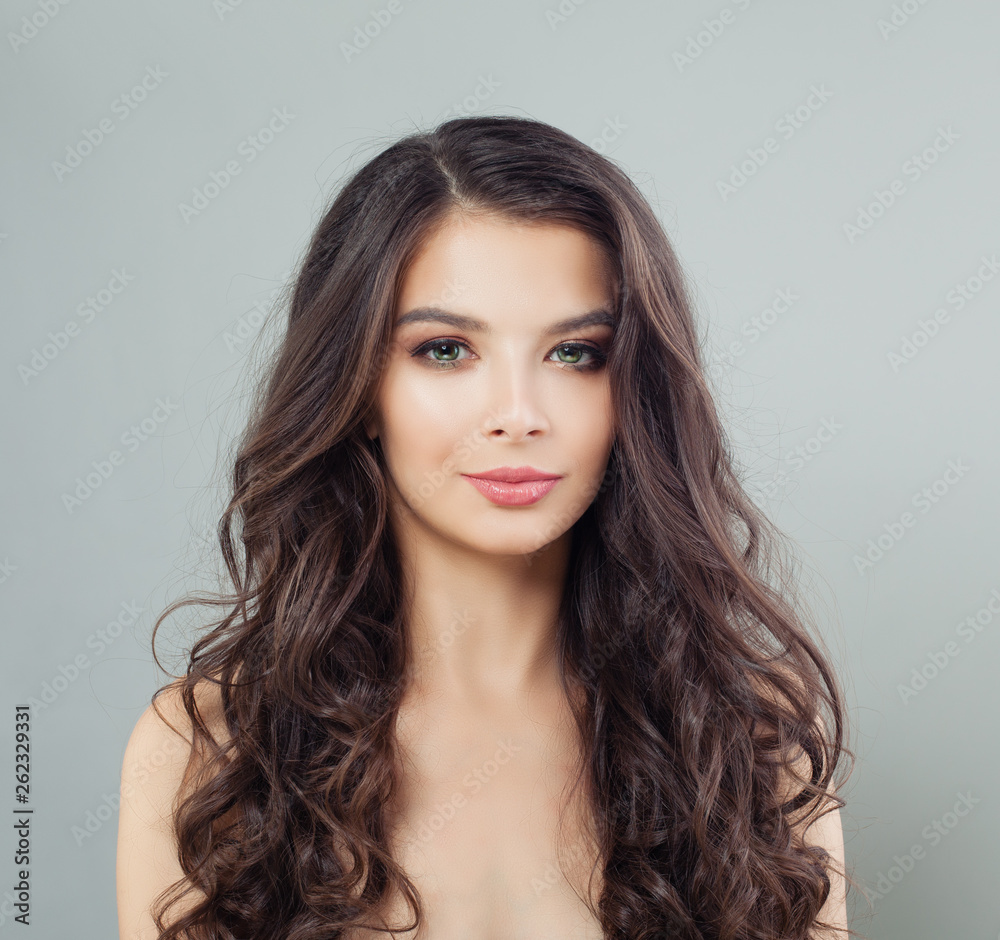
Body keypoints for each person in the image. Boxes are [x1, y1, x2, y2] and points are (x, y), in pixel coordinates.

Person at [117, 114, 860, 940]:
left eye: (576, 353)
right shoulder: (209, 751)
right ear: (358, 387)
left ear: (633, 394)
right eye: (445, 350)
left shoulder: (746, 740)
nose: (518, 414)